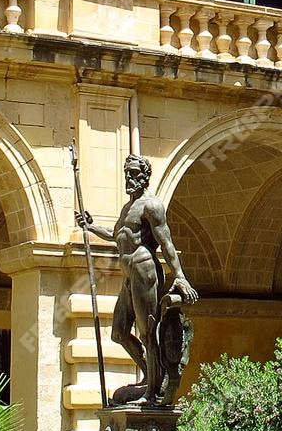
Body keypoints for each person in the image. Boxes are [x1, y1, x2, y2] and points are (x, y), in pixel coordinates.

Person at [75, 154, 198, 406]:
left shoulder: (151, 206)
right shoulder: (127, 207)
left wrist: (180, 277)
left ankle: (151, 393)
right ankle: (153, 376)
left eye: (133, 174)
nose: (129, 179)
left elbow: (167, 243)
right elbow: (116, 234)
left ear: (145, 176)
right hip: (130, 276)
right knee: (119, 333)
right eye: (127, 174)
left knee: (148, 333)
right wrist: (90, 226)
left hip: (145, 271)